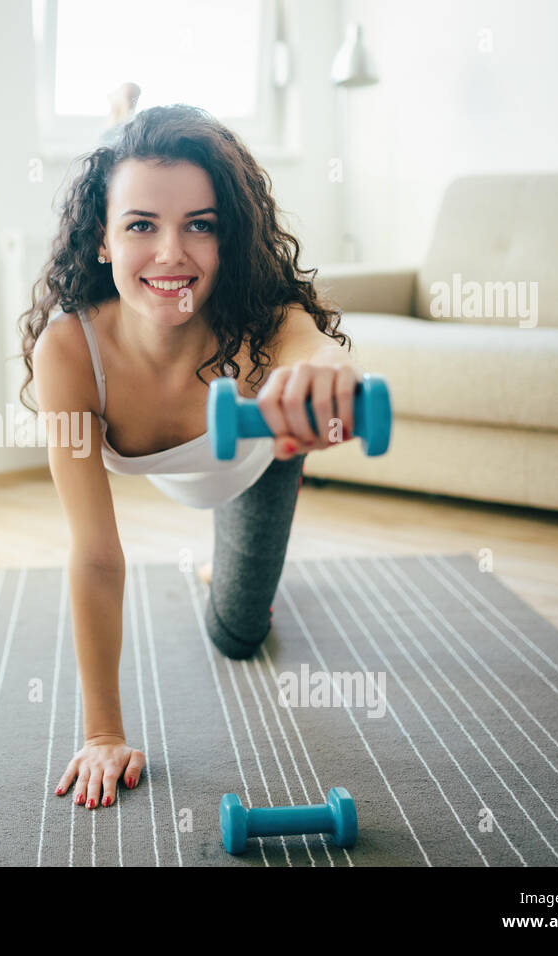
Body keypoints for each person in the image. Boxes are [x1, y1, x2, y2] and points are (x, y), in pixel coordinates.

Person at [18, 104, 360, 812]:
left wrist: (327, 371)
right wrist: (103, 732)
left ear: (226, 238)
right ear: (104, 240)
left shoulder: (262, 323)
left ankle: (225, 568)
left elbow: (315, 349)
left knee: (238, 636)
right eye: (141, 224)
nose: (172, 253)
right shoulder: (70, 351)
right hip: (181, 477)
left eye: (199, 225)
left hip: (256, 465)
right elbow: (96, 552)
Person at [96, 81, 141, 148]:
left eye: (133, 97)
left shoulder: (132, 126)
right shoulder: (112, 123)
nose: (132, 101)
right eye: (129, 97)